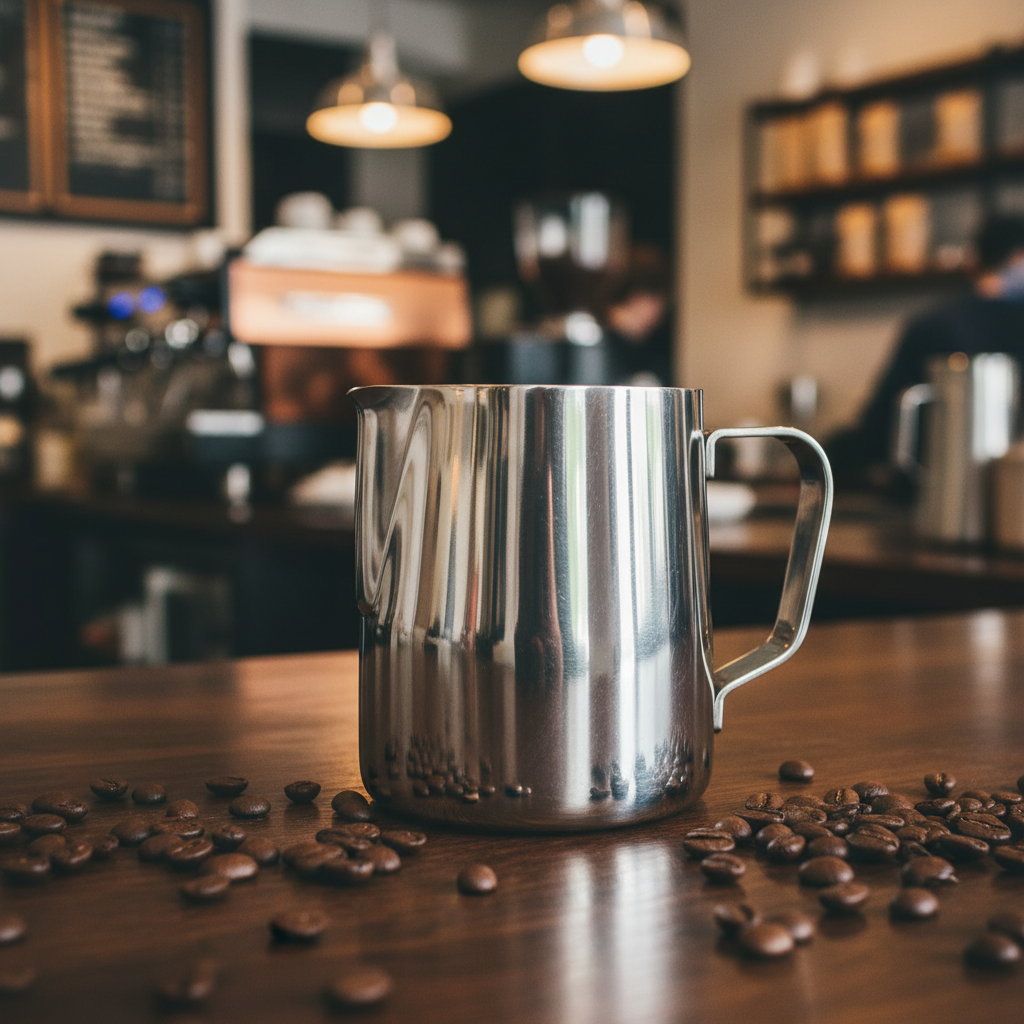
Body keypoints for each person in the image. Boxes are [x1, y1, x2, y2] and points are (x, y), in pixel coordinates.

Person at [828, 214, 1024, 489]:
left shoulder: (933, 325)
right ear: (1017, 257)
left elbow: (881, 425)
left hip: (938, 494)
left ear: (974, 261)